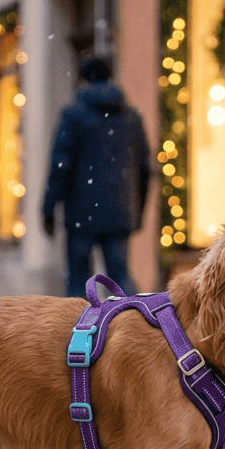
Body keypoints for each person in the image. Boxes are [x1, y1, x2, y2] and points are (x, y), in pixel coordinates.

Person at [42, 55, 151, 297]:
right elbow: (145, 168)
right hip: (120, 211)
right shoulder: (132, 117)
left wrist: (48, 208)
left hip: (81, 211)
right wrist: (137, 212)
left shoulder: (74, 115)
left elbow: (60, 164)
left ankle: (79, 332)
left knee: (79, 281)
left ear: (83, 79)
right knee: (120, 276)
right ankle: (136, 327)